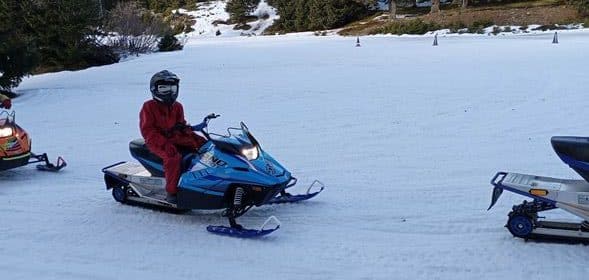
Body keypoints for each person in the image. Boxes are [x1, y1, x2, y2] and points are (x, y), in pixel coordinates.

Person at [139, 70, 206, 203]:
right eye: (164, 88)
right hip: (156, 141)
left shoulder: (177, 106)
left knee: (203, 145)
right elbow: (148, 131)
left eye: (172, 88)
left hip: (174, 137)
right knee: (173, 157)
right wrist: (165, 144)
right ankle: (172, 192)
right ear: (155, 89)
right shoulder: (149, 107)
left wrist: (193, 133)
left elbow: (180, 126)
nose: (169, 92)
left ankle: (202, 182)